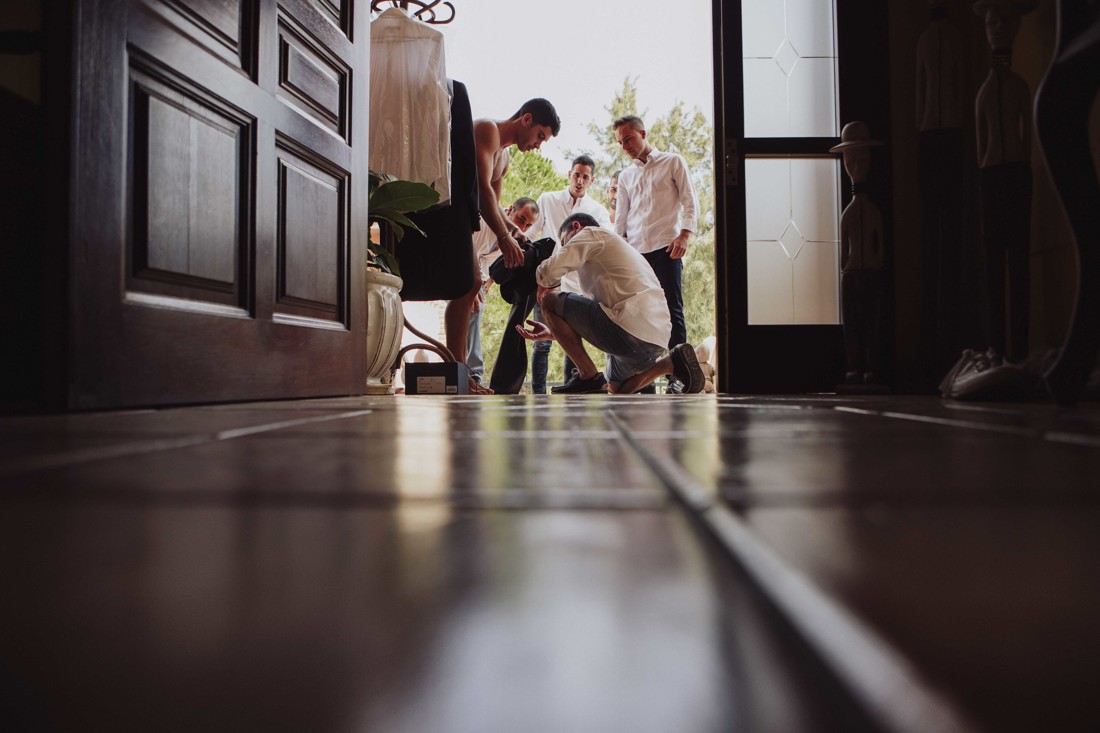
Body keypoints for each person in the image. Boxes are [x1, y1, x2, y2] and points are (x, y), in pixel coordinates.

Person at [515, 213, 705, 395]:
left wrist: (543, 286)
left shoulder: (592, 233)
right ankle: (668, 363)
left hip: (628, 328)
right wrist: (554, 332)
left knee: (550, 301)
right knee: (615, 388)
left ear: (576, 227)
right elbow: (591, 320)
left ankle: (587, 374)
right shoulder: (618, 253)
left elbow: (549, 272)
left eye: (565, 243)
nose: (566, 248)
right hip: (655, 340)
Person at [443, 98, 560, 388]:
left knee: (471, 287)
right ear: (527, 119)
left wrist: (516, 234)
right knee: (467, 284)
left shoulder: (504, 159)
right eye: (540, 136)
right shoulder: (487, 130)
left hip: (464, 221)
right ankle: (457, 371)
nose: (538, 145)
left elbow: (492, 206)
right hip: (444, 213)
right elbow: (481, 191)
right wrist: (505, 237)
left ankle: (461, 373)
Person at [612, 115, 699, 393]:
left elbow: (690, 201)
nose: (624, 145)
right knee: (638, 315)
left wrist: (684, 234)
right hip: (636, 255)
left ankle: (678, 376)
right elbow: (621, 221)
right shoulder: (625, 176)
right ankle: (643, 377)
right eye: (620, 141)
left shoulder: (673, 161)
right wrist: (619, 253)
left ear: (643, 133)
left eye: (628, 138)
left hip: (667, 248)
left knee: (673, 311)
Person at [526, 155, 613, 393]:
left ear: (592, 180)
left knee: (571, 342)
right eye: (576, 175)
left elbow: (607, 239)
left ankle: (574, 389)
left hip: (577, 287)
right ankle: (538, 393)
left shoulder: (597, 210)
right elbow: (531, 233)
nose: (580, 181)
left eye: (585, 177)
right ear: (569, 175)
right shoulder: (548, 199)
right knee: (541, 344)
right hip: (548, 282)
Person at [466, 197, 540, 388]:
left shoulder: (513, 243)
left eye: (528, 225)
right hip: (455, 262)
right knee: (474, 305)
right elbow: (466, 249)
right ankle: (473, 374)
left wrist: (486, 283)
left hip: (475, 273)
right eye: (521, 219)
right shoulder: (485, 225)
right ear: (509, 211)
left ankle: (470, 372)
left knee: (477, 305)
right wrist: (472, 286)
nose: (522, 227)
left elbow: (489, 264)